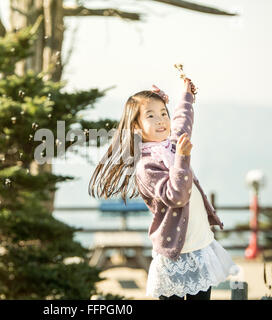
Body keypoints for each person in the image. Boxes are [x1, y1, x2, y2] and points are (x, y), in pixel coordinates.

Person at [88, 77, 239, 300]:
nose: (161, 121)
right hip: (176, 254)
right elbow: (176, 196)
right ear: (137, 126)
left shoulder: (171, 144)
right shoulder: (146, 165)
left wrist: (187, 96)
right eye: (151, 115)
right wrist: (183, 157)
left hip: (200, 246)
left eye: (163, 113)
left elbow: (183, 121)